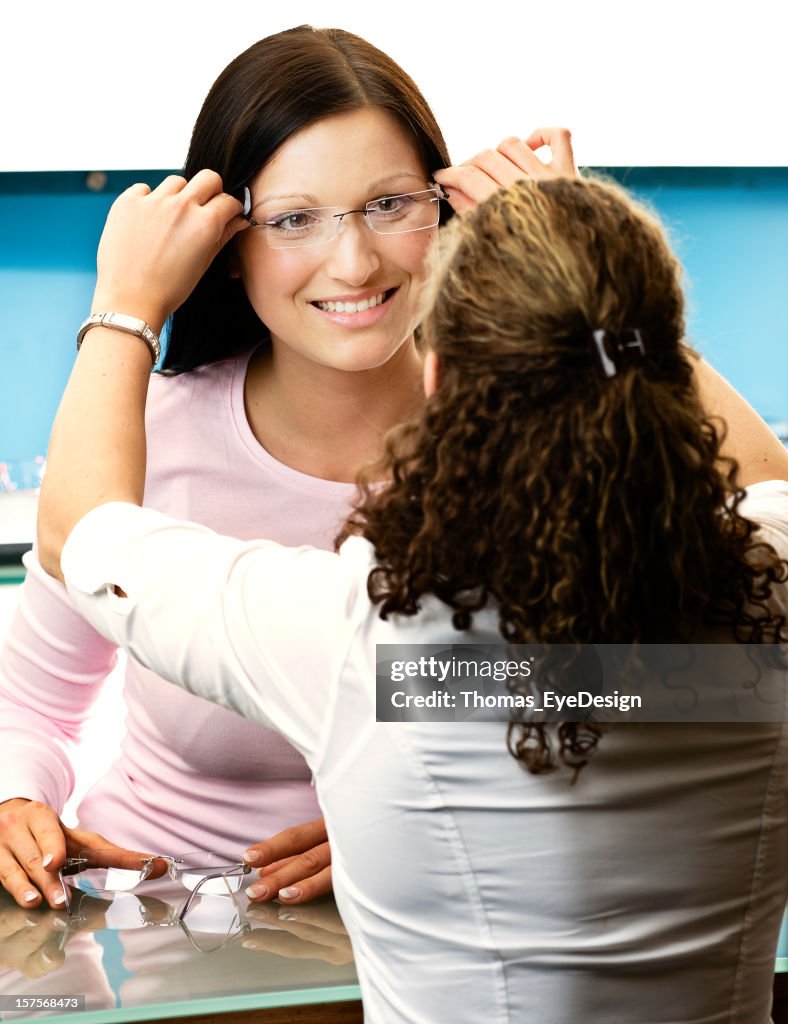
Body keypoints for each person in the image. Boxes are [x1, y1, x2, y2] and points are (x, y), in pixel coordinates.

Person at [36, 167, 788, 1021]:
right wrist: (590, 275)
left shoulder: (360, 639)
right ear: (663, 366)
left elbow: (74, 531)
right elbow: (768, 478)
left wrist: (126, 303)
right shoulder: (771, 588)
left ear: (437, 386)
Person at [0, 24, 578, 912]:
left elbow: (663, 696)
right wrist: (15, 799)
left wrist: (438, 827)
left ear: (446, 207)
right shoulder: (138, 433)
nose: (354, 261)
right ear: (228, 246)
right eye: (294, 220)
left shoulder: (548, 433)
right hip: (162, 919)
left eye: (391, 204)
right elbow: (32, 702)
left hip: (453, 915)